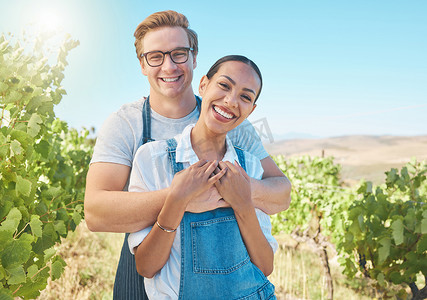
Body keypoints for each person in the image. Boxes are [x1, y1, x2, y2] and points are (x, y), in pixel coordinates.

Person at [84, 10, 291, 299]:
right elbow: (96, 213)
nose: (169, 66)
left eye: (179, 54)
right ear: (143, 65)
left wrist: (242, 192)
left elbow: (281, 193)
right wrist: (180, 199)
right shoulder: (126, 124)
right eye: (155, 56)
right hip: (148, 269)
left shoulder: (230, 121)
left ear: (194, 58)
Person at [128, 55, 277, 299]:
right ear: (204, 85)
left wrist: (243, 204)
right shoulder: (152, 159)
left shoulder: (249, 165)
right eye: (224, 86)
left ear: (252, 110)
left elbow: (265, 266)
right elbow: (146, 267)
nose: (230, 101)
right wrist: (177, 200)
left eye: (245, 97)